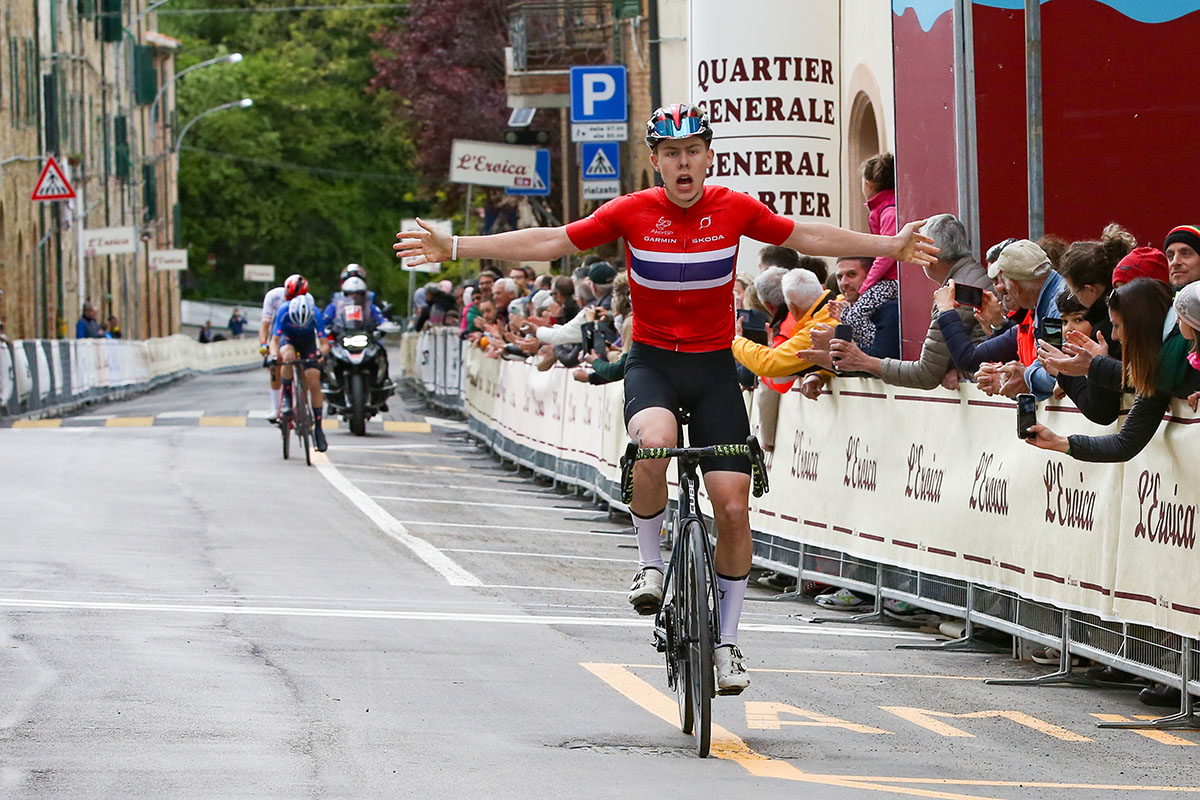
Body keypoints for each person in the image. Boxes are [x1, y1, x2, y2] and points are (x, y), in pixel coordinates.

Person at [395, 102, 937, 695]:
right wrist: (456, 248)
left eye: (693, 152)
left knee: (732, 507)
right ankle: (650, 564)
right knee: (654, 443)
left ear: (709, 157)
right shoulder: (632, 212)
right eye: (672, 154)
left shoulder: (731, 207)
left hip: (711, 368)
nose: (684, 164)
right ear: (656, 161)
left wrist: (890, 244)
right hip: (653, 363)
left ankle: (727, 644)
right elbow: (552, 240)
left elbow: (806, 233)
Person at [1026, 277, 1200, 462]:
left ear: (1139, 324)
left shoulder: (1179, 340)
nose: (1114, 336)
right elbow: (1125, 443)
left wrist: (1092, 367)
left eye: (1116, 326)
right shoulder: (1161, 365)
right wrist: (1058, 442)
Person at [815, 214, 990, 391]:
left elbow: (927, 374)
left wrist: (864, 362)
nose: (844, 283)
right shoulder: (973, 277)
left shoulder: (955, 293)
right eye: (840, 277)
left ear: (928, 254)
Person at [840, 154, 898, 352]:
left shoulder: (889, 211)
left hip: (893, 280)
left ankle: (872, 351)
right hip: (889, 280)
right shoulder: (885, 208)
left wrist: (867, 284)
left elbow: (886, 253)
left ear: (868, 183)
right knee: (848, 314)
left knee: (855, 315)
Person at [269, 295, 330, 452]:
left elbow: (325, 344)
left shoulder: (315, 313)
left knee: (314, 381)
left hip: (308, 342)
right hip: (287, 339)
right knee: (287, 357)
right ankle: (287, 399)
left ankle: (318, 429)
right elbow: (274, 340)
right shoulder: (284, 311)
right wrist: (274, 356)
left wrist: (320, 353)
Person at [259, 274, 310, 422]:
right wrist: (264, 345)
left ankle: (303, 404)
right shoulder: (273, 296)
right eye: (289, 296)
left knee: (304, 366)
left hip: (301, 332)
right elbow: (265, 327)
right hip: (281, 332)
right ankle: (276, 407)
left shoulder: (308, 300)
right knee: (276, 364)